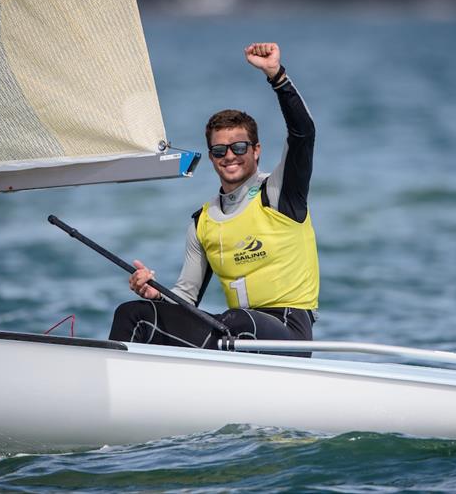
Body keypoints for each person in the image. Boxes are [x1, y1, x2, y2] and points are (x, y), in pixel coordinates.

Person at [109, 42, 318, 354]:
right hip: (231, 331)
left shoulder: (277, 194)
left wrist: (277, 77)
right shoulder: (202, 222)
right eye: (220, 150)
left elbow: (304, 133)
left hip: (288, 331)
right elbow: (186, 297)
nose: (229, 156)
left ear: (257, 151)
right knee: (133, 315)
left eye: (240, 147)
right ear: (211, 156)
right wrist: (156, 294)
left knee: (235, 321)